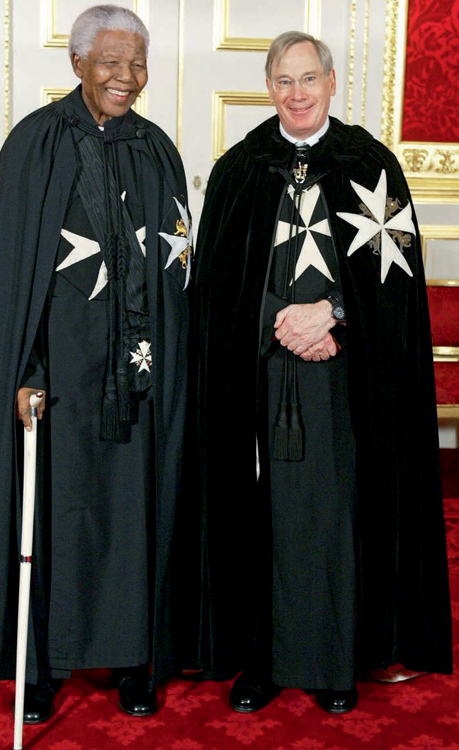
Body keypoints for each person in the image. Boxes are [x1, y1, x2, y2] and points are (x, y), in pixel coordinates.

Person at [190, 31, 452, 714]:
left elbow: (390, 287)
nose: (297, 94)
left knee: (334, 512)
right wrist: (280, 319)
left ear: (331, 82)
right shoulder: (240, 169)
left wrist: (331, 313)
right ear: (268, 85)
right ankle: (262, 662)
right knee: (258, 516)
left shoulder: (368, 165)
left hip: (343, 379)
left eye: (309, 79)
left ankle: (334, 660)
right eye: (284, 80)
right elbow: (218, 288)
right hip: (258, 376)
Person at [0, 4, 192, 722]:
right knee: (53, 514)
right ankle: (43, 663)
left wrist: (166, 367)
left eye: (137, 63)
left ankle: (137, 657)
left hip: (141, 376)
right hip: (60, 380)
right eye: (110, 62)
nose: (126, 77)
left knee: (137, 510)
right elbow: (11, 279)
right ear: (77, 64)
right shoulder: (36, 145)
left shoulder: (156, 149)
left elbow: (174, 268)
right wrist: (26, 369)